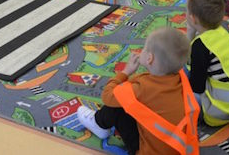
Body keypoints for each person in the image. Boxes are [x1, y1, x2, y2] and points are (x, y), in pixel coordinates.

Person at [75, 27, 199, 155]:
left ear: (149, 58)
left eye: (144, 48)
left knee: (118, 102)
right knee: (128, 98)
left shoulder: (142, 87)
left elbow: (107, 95)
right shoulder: (181, 78)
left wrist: (125, 72)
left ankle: (98, 123)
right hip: (180, 148)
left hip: (145, 151)